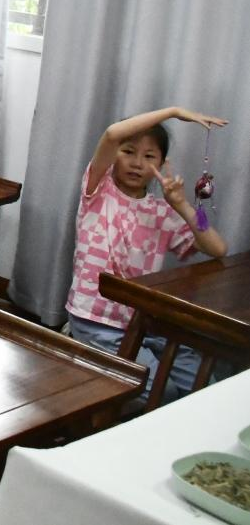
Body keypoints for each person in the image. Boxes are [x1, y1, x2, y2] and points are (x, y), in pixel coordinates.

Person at [64, 106, 229, 401]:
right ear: (114, 154)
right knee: (163, 393)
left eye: (149, 156)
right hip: (96, 320)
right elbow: (112, 133)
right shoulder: (99, 192)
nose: (137, 163)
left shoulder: (160, 211)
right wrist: (173, 112)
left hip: (146, 321)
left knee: (206, 385)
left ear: (161, 163)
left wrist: (181, 205)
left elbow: (217, 248)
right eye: (128, 152)